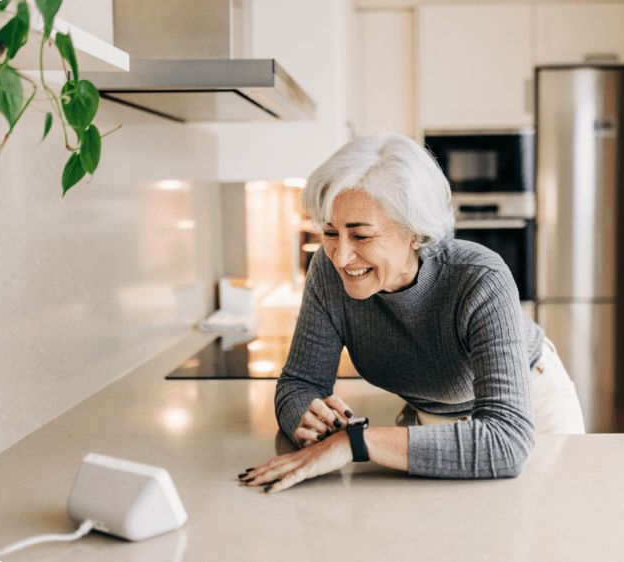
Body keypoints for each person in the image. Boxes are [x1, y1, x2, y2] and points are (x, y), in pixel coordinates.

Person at [239, 132, 585, 493]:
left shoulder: (480, 278)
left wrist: (354, 442)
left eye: (361, 236)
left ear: (413, 233)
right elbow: (299, 383)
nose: (340, 257)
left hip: (532, 409)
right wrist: (305, 416)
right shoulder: (327, 275)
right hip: (434, 417)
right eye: (330, 232)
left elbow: (507, 442)